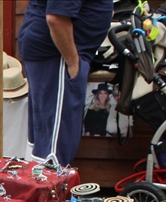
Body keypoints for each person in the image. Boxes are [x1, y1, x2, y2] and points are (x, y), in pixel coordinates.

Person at [17, 0, 113, 165]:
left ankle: (43, 179)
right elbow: (56, 18)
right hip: (58, 54)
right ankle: (50, 181)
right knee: (54, 148)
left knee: (46, 139)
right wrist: (74, 63)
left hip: (54, 53)